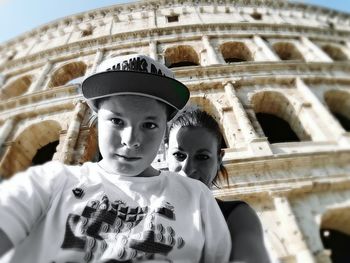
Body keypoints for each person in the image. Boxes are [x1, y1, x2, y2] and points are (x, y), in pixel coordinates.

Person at [0, 54, 231, 263]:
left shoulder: (198, 197)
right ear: (95, 119)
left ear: (165, 131)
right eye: (117, 121)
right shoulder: (48, 183)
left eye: (149, 124)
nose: (131, 140)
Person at [166, 108, 271, 263]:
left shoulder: (235, 215)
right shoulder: (138, 208)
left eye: (202, 157)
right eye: (179, 155)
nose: (188, 169)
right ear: (165, 154)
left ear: (219, 158)